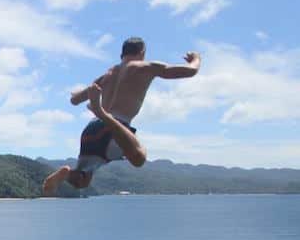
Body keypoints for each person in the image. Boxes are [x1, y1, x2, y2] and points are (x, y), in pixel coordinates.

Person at [43, 37, 201, 192]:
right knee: (139, 158)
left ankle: (67, 172)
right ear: (143, 52)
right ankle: (102, 113)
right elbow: (191, 71)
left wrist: (83, 91)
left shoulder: (107, 76)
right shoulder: (145, 66)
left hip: (91, 129)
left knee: (81, 181)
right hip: (114, 124)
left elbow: (74, 100)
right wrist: (196, 59)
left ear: (122, 54)